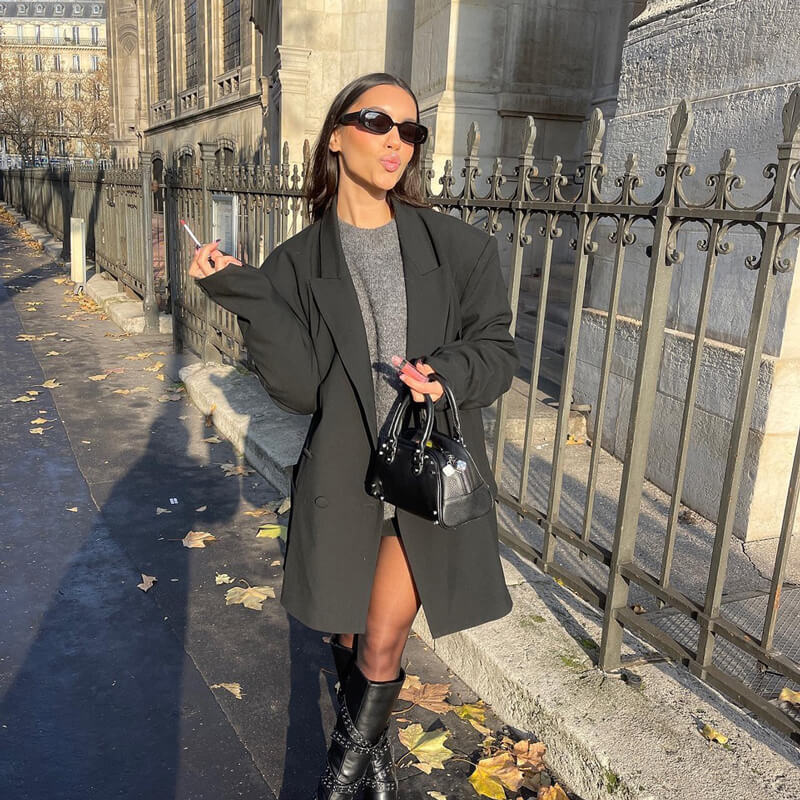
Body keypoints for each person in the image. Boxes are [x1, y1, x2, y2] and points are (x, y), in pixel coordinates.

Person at [189, 72, 519, 799]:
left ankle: (337, 781)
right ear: (336, 136)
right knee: (347, 631)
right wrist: (245, 292)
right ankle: (374, 769)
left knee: (380, 633)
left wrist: (447, 373)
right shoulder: (297, 263)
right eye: (377, 123)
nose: (397, 142)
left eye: (411, 130)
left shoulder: (459, 248)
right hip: (344, 475)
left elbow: (498, 351)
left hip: (422, 475)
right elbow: (299, 390)